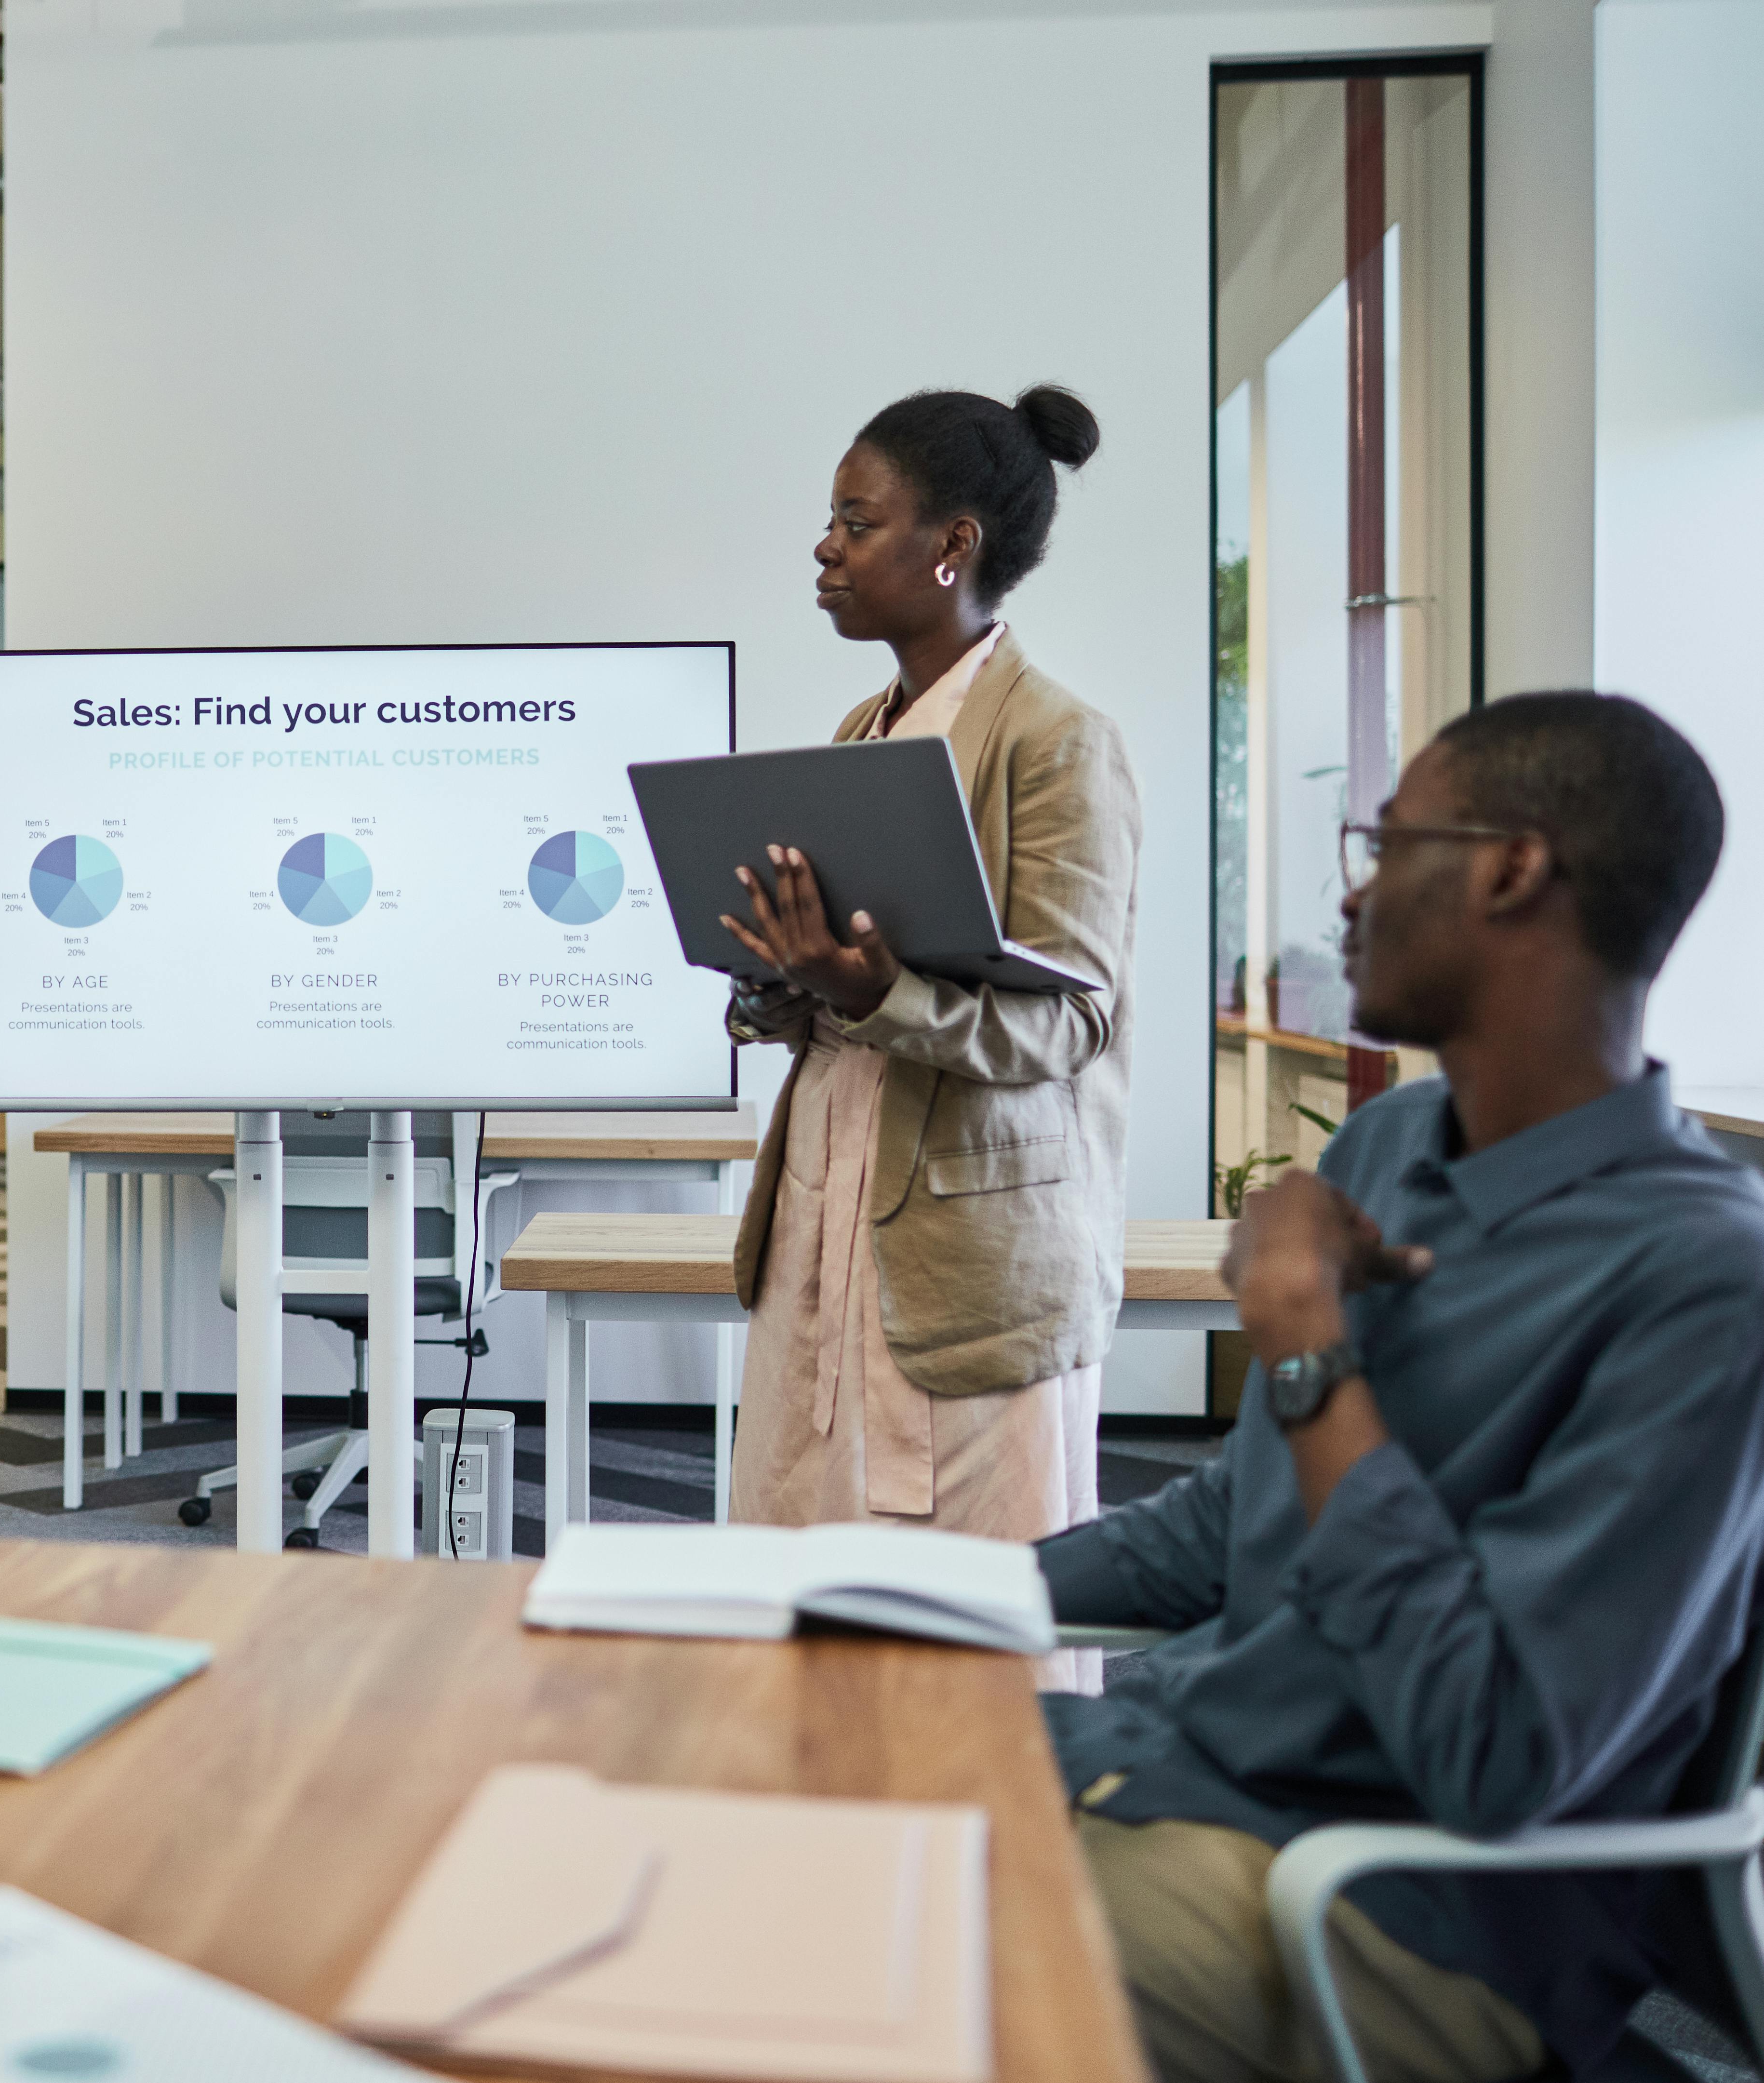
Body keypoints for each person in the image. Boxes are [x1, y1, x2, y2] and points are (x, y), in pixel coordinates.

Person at [1040, 694, 1764, 2083]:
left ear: (1510, 870)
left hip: (1399, 1914)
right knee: (757, 1793)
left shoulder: (1701, 1277)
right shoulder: (1383, 1147)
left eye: (1383, 846)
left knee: (823, 1947)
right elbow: (1225, 1526)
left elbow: (1491, 1754)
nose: (1350, 895)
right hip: (1161, 1771)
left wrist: (1306, 1347)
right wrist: (911, 1589)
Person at [721, 387, 1139, 1658]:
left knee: (970, 1626)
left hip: (972, 1245)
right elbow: (850, 989)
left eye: (856, 523)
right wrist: (783, 978)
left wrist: (875, 995)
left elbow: (1068, 1025)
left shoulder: (1056, 741)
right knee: (802, 1580)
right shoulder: (861, 731)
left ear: (951, 545)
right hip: (829, 1206)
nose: (825, 548)